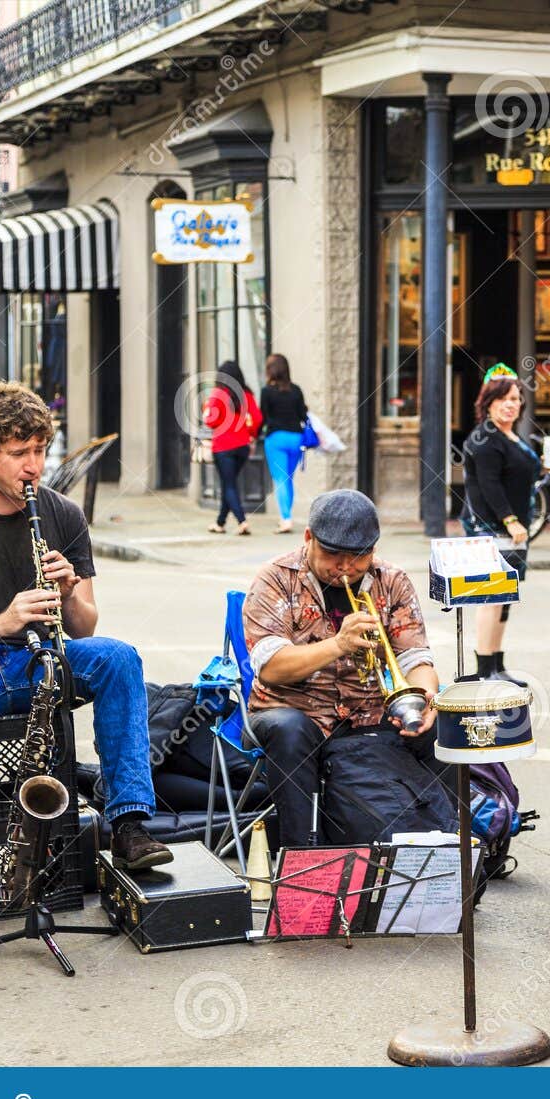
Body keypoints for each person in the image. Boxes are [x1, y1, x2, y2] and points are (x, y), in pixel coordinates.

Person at [0, 383, 171, 953]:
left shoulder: (61, 514)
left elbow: (85, 627)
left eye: (41, 449)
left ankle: (127, 824)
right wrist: (2, 620)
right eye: (19, 452)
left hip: (39, 657)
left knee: (119, 658)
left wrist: (69, 590)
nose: (35, 466)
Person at [243, 489, 444, 847]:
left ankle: (449, 844)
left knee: (443, 724)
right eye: (333, 555)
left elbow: (414, 657)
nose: (346, 568)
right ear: (309, 539)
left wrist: (425, 697)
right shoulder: (275, 578)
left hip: (369, 713)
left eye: (359, 556)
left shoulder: (392, 581)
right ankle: (301, 863)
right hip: (290, 710)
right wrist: (338, 644)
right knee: (290, 732)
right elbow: (271, 668)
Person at [461, 364, 538, 684]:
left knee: (504, 597)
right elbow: (489, 485)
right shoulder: (485, 438)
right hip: (491, 529)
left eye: (516, 398)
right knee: (490, 597)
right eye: (503, 398)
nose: (511, 404)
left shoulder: (509, 435)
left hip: (513, 530)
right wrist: (509, 520)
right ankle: (484, 670)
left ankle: (496, 663)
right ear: (488, 402)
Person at [203, 360, 262, 536]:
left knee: (228, 485)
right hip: (242, 446)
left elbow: (210, 420)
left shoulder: (218, 394)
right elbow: (257, 419)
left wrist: (207, 409)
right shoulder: (247, 394)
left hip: (223, 447)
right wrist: (250, 434)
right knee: (229, 484)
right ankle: (220, 522)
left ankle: (242, 521)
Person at [259, 353, 310, 534]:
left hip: (276, 439)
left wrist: (256, 436)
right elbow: (303, 416)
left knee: (280, 479)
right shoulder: (296, 390)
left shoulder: (266, 392)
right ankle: (286, 516)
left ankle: (286, 519)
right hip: (296, 439)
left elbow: (262, 417)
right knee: (288, 479)